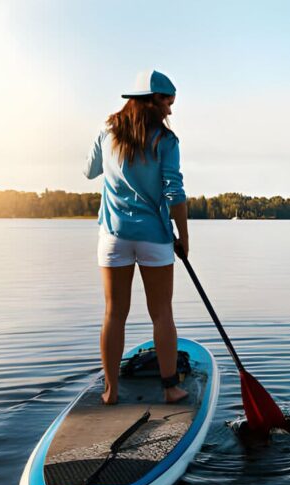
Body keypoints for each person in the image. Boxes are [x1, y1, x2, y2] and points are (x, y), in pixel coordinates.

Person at [83, 70, 189, 405]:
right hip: (155, 236)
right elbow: (175, 192)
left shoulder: (107, 131)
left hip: (114, 236)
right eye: (167, 103)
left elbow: (89, 171)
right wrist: (183, 237)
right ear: (151, 99)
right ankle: (170, 388)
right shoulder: (166, 141)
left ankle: (111, 391)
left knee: (114, 312)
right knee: (162, 313)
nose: (170, 111)